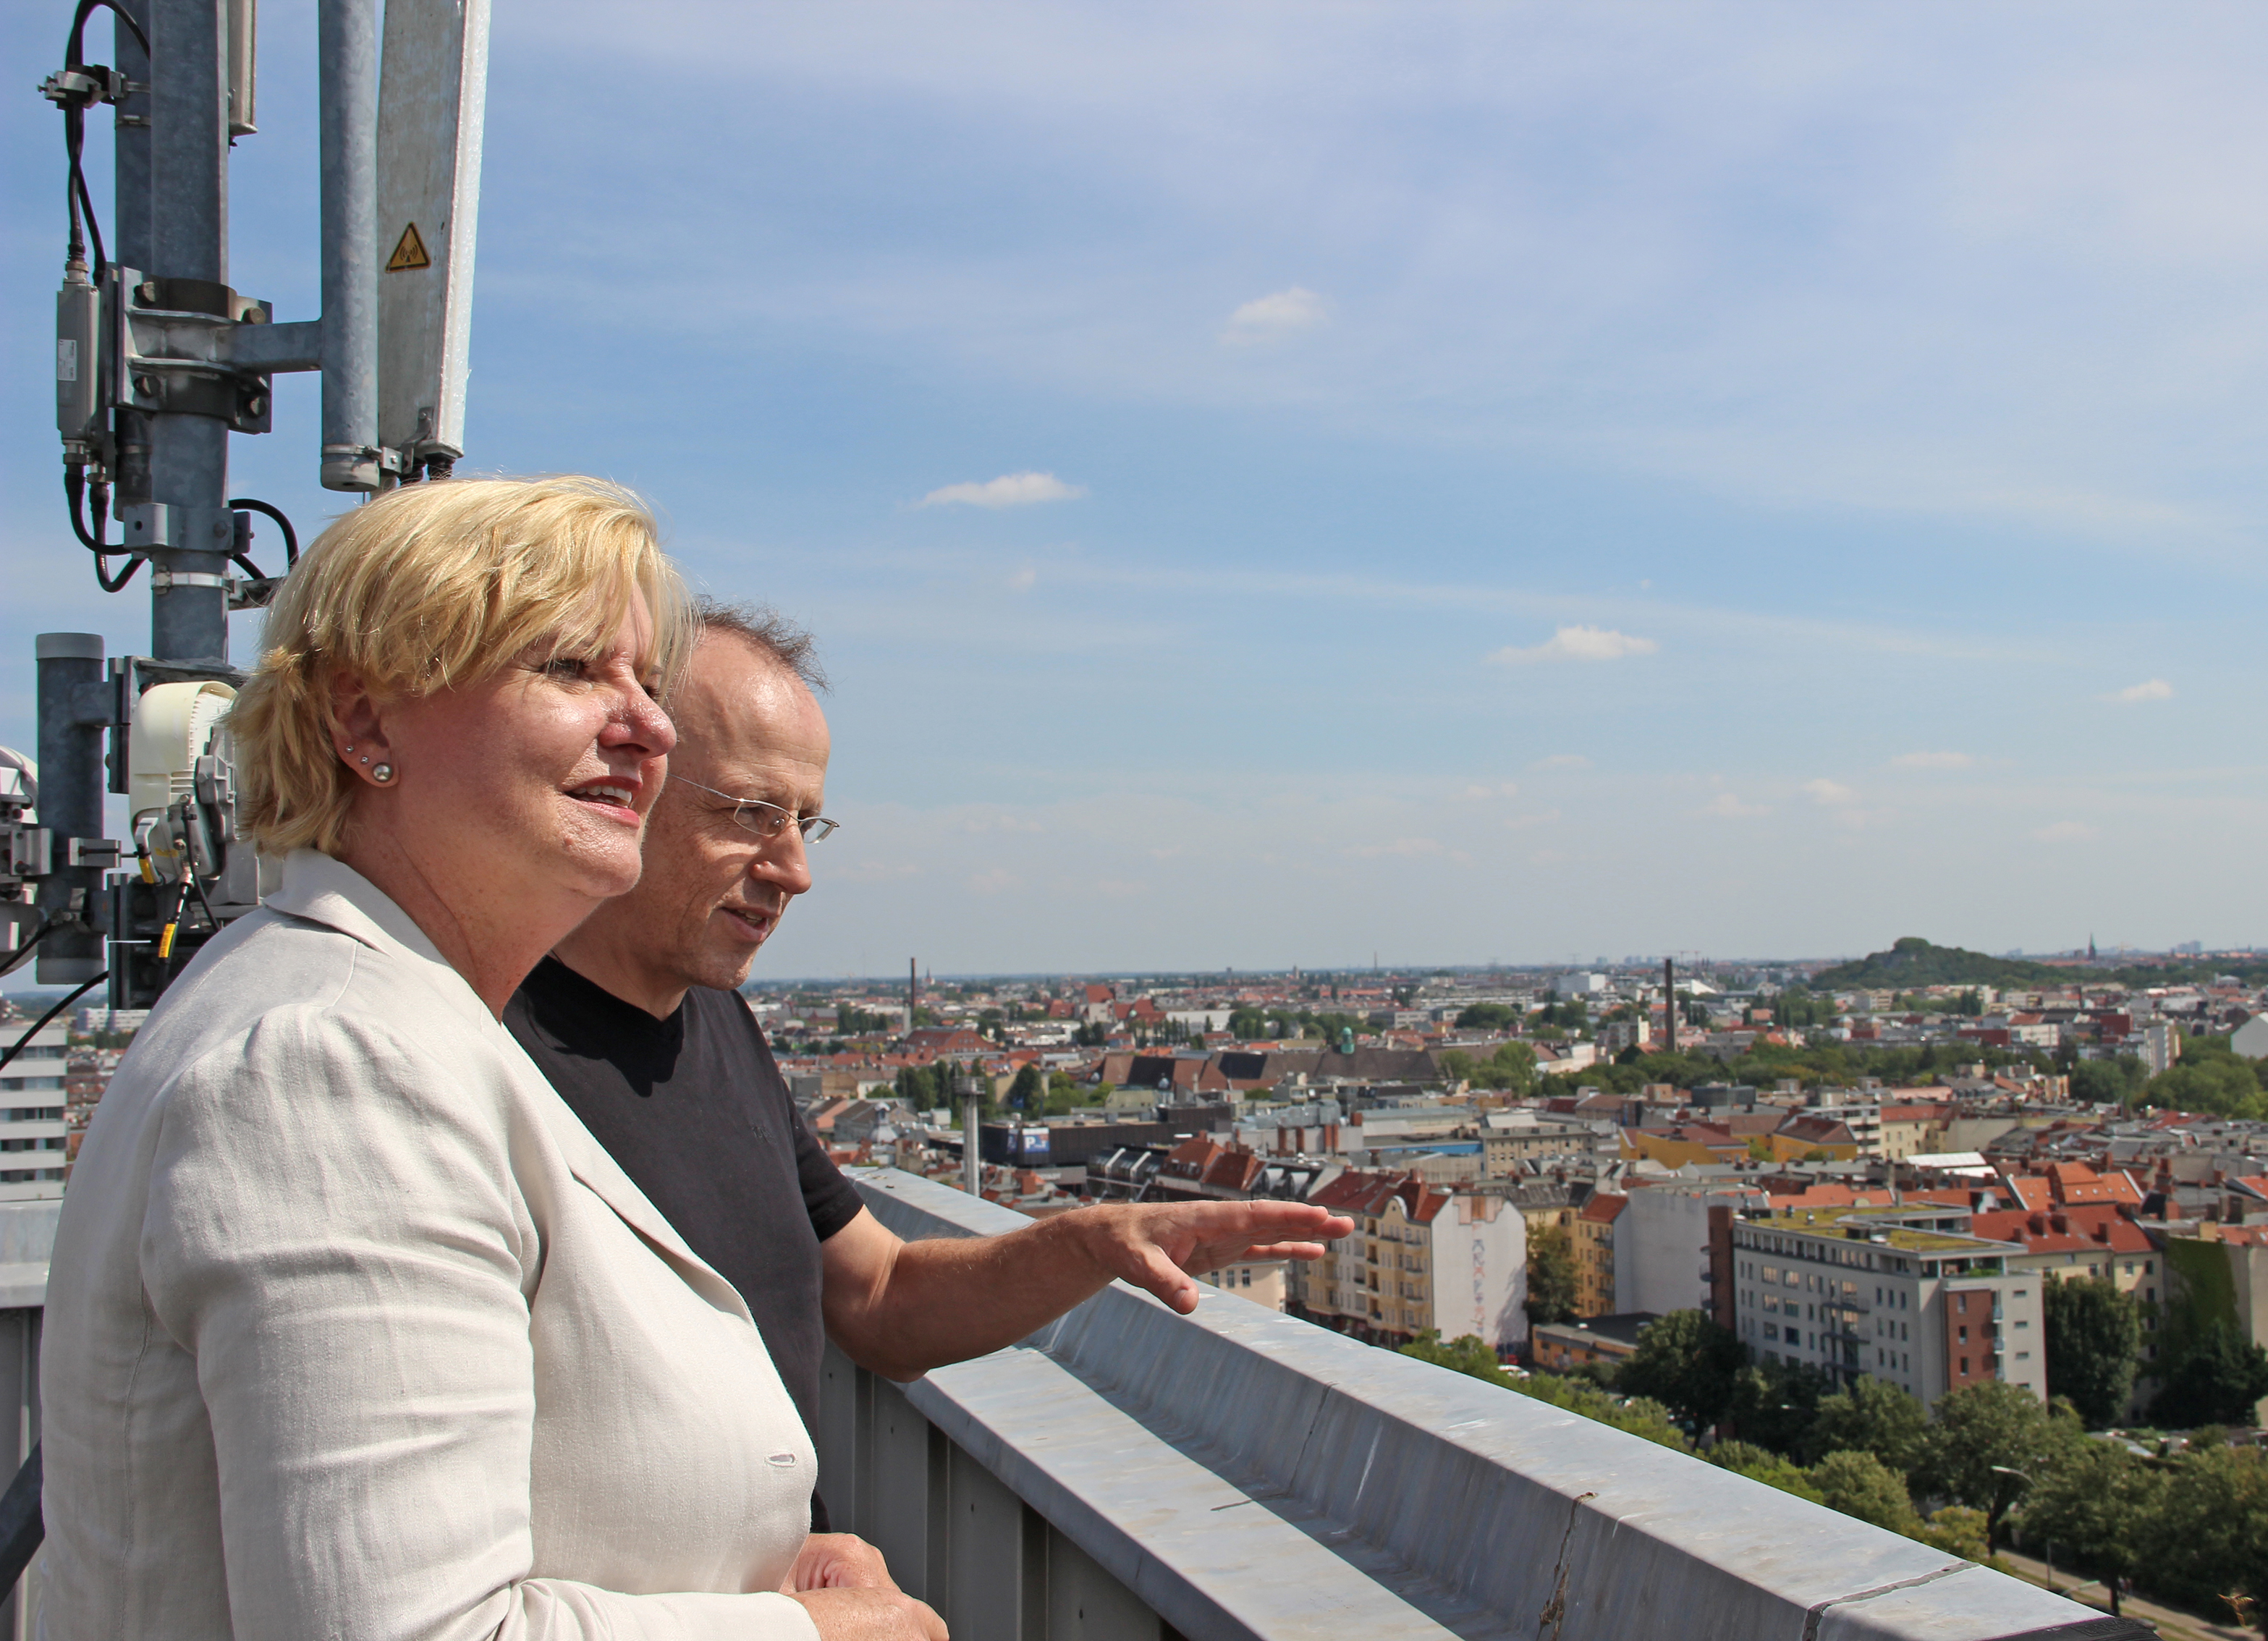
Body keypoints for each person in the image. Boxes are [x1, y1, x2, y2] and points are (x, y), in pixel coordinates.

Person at [39, 479, 944, 1641]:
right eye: (571, 670)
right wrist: (814, 1636)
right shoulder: (329, 1064)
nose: (649, 728)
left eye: (645, 683)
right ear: (363, 723)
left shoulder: (403, 1015)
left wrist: (737, 1556)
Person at [506, 603, 1350, 1530]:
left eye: (805, 824)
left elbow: (879, 1299)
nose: (794, 869)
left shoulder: (718, 1022)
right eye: (752, 813)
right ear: (630, 782)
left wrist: (1087, 1244)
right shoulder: (485, 1045)